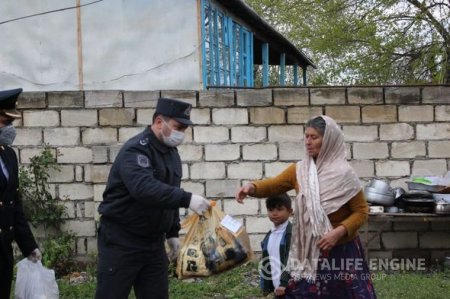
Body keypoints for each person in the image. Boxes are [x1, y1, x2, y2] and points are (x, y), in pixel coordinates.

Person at [236, 115, 376, 299]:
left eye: (314, 137)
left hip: (341, 251)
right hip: (309, 250)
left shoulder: (345, 174)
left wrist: (338, 232)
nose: (308, 142)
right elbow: (274, 184)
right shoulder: (300, 171)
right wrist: (252, 187)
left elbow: (361, 212)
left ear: (329, 140)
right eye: (306, 136)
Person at [96, 97, 210, 299]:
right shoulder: (136, 150)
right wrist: (188, 199)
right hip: (122, 241)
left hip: (153, 244)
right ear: (159, 122)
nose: (181, 133)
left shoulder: (171, 153)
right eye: (178, 127)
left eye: (184, 129)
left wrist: (172, 233)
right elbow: (144, 189)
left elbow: (168, 194)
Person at [0, 88, 41, 299]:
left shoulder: (8, 155)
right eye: (5, 121)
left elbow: (14, 205)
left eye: (10, 121)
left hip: (3, 250)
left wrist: (29, 247)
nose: (9, 127)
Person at [260, 193, 293, 298]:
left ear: (290, 211)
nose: (274, 213)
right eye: (271, 210)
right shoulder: (269, 235)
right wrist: (266, 286)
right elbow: (266, 261)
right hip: (277, 288)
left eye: (279, 209)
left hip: (291, 288)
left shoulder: (291, 234)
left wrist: (284, 283)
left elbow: (292, 260)